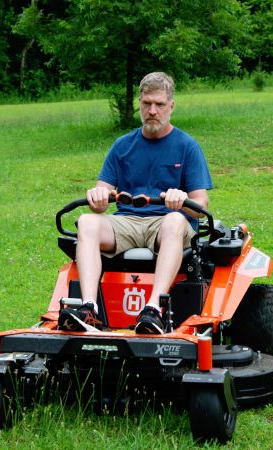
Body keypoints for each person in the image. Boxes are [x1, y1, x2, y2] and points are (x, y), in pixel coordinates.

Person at [58, 72, 213, 334]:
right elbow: (102, 196)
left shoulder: (187, 146)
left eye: (160, 105)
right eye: (147, 104)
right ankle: (88, 308)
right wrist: (97, 196)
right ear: (139, 105)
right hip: (127, 222)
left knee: (175, 220)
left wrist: (182, 200)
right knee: (86, 221)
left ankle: (153, 309)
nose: (153, 111)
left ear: (171, 106)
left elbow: (202, 203)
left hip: (167, 223)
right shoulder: (122, 146)